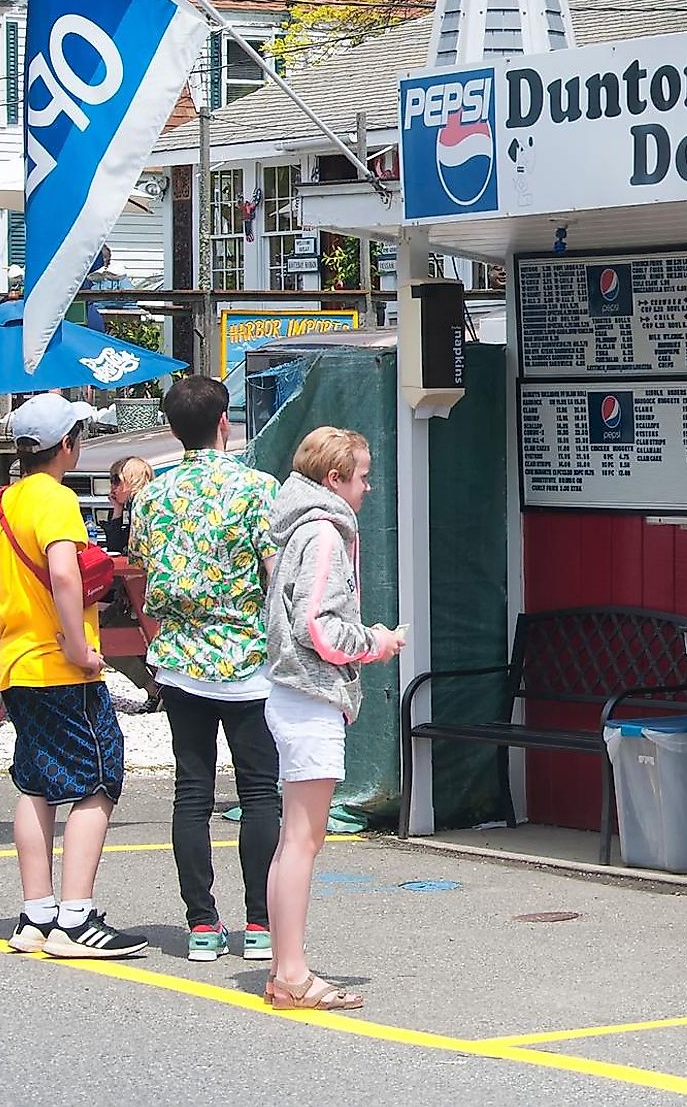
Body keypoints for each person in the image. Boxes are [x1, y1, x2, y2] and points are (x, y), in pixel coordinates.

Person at [0, 393, 148, 960]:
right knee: (98, 777)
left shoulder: (0, 505)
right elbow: (67, 577)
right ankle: (76, 917)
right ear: (67, 444)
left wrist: (9, 640)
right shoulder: (57, 500)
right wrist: (79, 646)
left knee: (36, 782)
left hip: (18, 663)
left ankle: (36, 912)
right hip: (61, 665)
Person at [129, 376, 283, 967]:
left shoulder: (152, 496)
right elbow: (276, 576)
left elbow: (141, 572)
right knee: (258, 792)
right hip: (247, 658)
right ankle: (261, 922)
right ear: (225, 421)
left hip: (180, 657)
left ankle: (200, 923)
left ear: (171, 427)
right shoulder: (256, 489)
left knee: (191, 791)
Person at [261, 426, 402, 1010]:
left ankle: (284, 968)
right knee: (303, 840)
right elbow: (315, 625)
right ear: (333, 479)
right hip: (310, 695)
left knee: (295, 838)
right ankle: (292, 974)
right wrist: (375, 642)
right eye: (362, 476)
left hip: (295, 695)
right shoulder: (323, 532)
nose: (368, 487)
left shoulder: (300, 526)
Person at [102, 456, 153, 554]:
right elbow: (115, 547)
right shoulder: (134, 505)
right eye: (111, 481)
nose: (112, 487)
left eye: (117, 480)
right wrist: (117, 510)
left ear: (132, 480)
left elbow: (118, 547)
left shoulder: (144, 506)